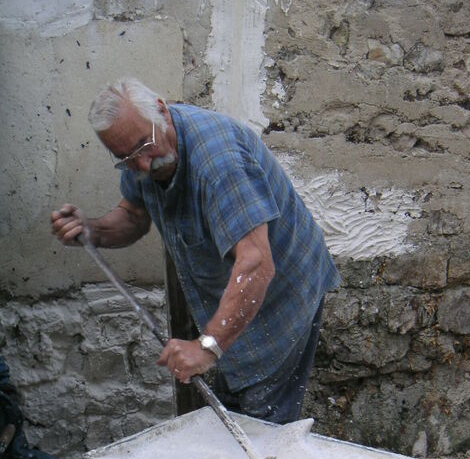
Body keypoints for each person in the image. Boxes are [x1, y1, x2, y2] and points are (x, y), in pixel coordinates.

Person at [51, 77, 340, 424]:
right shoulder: (142, 151)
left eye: (144, 146)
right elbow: (134, 215)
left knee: (260, 422)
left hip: (283, 295)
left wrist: (208, 347)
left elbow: (256, 262)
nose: (142, 165)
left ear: (161, 110)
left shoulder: (219, 163)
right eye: (126, 158)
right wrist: (92, 230)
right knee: (236, 411)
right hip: (239, 294)